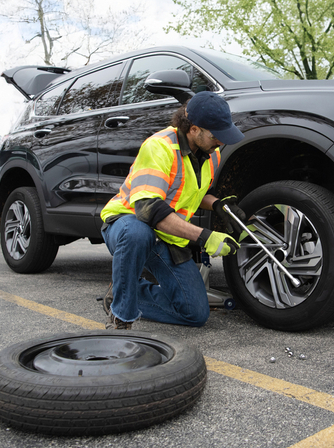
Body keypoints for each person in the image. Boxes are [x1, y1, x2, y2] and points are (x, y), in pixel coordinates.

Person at [99, 91, 246, 329]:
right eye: (215, 136)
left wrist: (217, 204)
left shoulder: (211, 153)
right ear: (194, 129)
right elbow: (148, 209)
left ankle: (124, 292)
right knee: (138, 233)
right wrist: (204, 237)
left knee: (195, 313)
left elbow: (188, 192)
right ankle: (122, 316)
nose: (221, 141)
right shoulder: (159, 147)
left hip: (166, 235)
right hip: (128, 223)